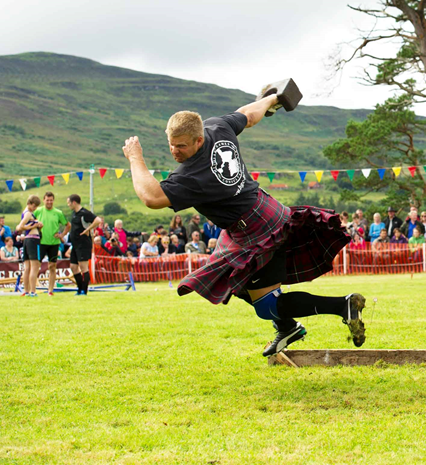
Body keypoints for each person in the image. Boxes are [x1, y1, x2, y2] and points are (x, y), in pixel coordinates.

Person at [122, 94, 366, 356]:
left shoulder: (193, 176)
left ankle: (342, 307)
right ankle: (288, 328)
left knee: (266, 305)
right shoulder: (218, 127)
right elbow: (249, 115)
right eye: (171, 145)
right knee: (230, 280)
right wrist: (272, 98)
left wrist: (135, 158)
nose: (174, 151)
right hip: (260, 216)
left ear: (199, 139)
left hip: (257, 232)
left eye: (181, 146)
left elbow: (151, 197)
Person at [34, 192, 70, 296]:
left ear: (53, 200)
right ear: (43, 200)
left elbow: (68, 225)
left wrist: (62, 234)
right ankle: (34, 288)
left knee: (52, 266)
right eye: (47, 200)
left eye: (51, 200)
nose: (49, 202)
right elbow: (28, 221)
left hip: (54, 243)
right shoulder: (38, 211)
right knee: (36, 266)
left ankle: (50, 290)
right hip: (40, 242)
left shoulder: (58, 212)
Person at [67, 194, 101, 296]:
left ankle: (84, 290)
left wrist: (88, 229)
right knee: (73, 266)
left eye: (69, 203)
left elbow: (98, 220)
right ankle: (79, 287)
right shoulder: (74, 214)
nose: (68, 205)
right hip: (75, 244)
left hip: (83, 244)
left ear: (74, 202)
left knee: (83, 267)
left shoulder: (84, 213)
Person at [16, 195, 42, 297]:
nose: (35, 209)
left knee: (27, 267)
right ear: (30, 204)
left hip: (27, 239)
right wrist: (33, 225)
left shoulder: (25, 212)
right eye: (34, 206)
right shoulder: (28, 213)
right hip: (33, 239)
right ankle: (32, 291)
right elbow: (20, 227)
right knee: (35, 266)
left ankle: (26, 291)